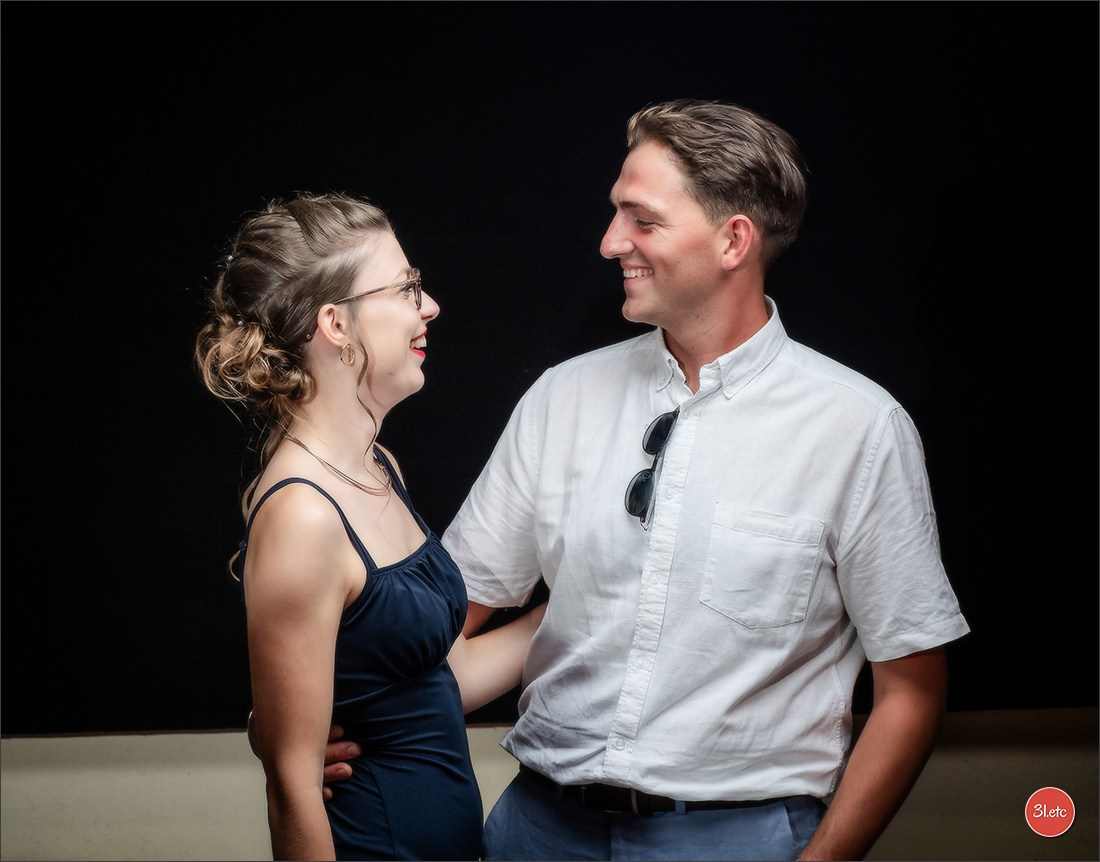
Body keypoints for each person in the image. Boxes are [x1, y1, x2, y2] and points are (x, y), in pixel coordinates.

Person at [326, 99, 971, 860]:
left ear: (734, 240)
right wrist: (320, 721)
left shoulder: (858, 429)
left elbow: (913, 689)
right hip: (536, 828)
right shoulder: (561, 397)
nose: (609, 242)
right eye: (614, 215)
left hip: (742, 836)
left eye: (643, 220)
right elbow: (441, 624)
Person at [194, 191, 544, 862]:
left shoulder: (378, 466)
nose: (429, 306)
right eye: (406, 288)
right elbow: (293, 788)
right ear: (336, 324)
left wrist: (590, 595)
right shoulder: (303, 513)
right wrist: (274, 732)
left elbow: (442, 680)